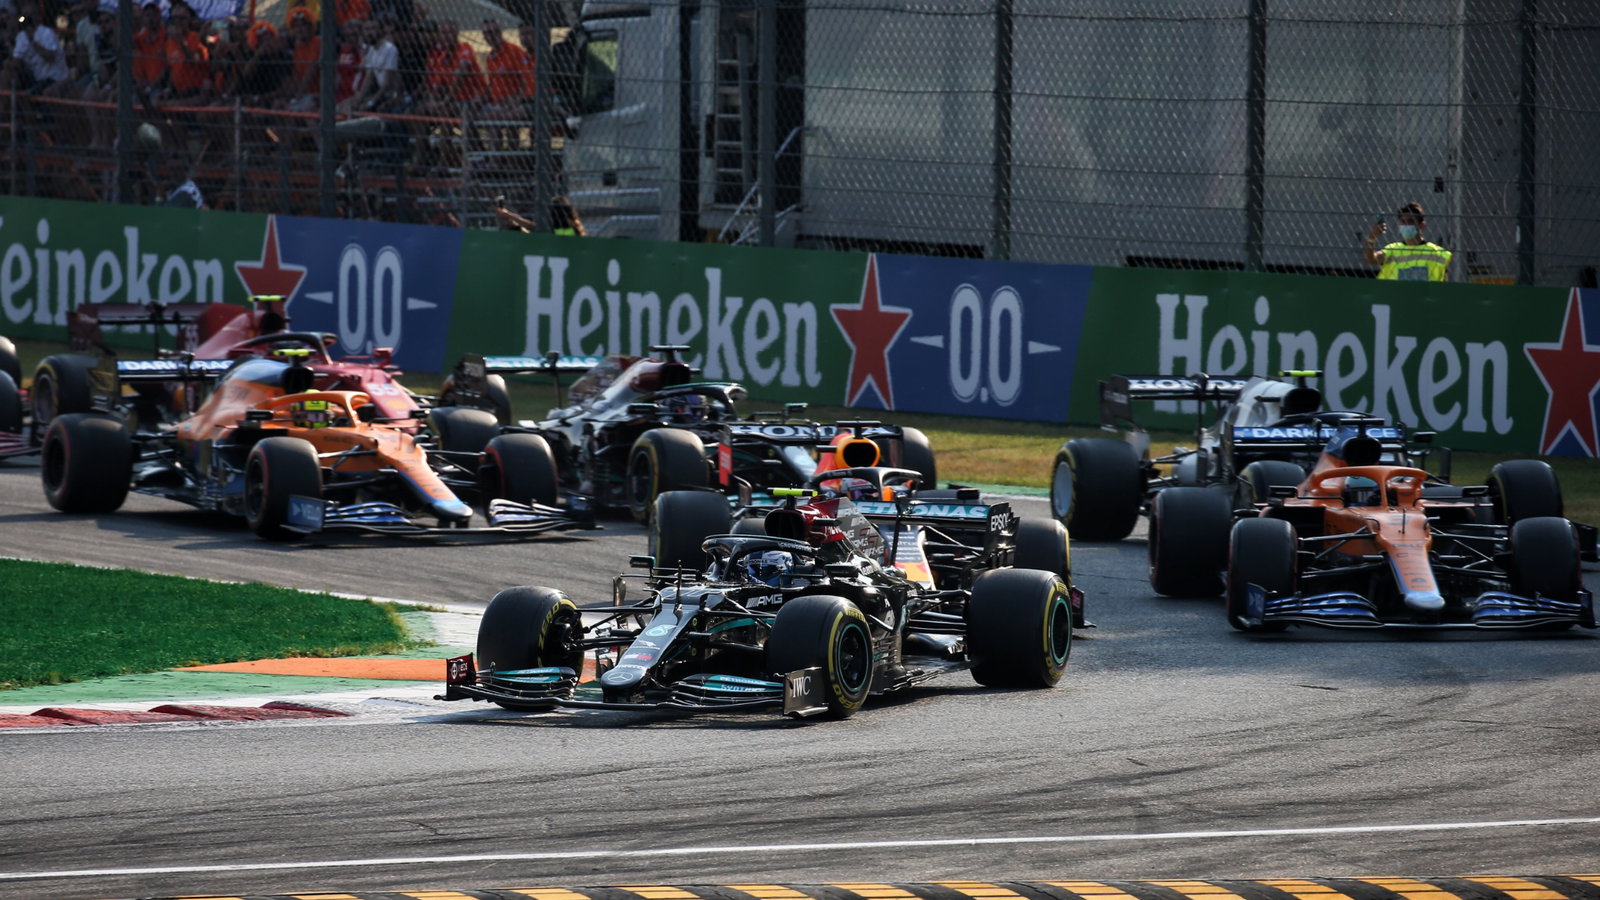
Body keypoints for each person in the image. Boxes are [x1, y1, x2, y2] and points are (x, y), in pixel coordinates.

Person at [1365, 202, 1452, 282]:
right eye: (1403, 221)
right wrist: (1372, 237)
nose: (1406, 225)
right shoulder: (1393, 249)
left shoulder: (1438, 253)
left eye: (1410, 221)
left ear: (1422, 225)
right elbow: (1371, 259)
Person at [494, 193, 585, 236]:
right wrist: (517, 226)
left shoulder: (568, 231)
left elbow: (534, 228)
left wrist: (509, 215)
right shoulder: (574, 225)